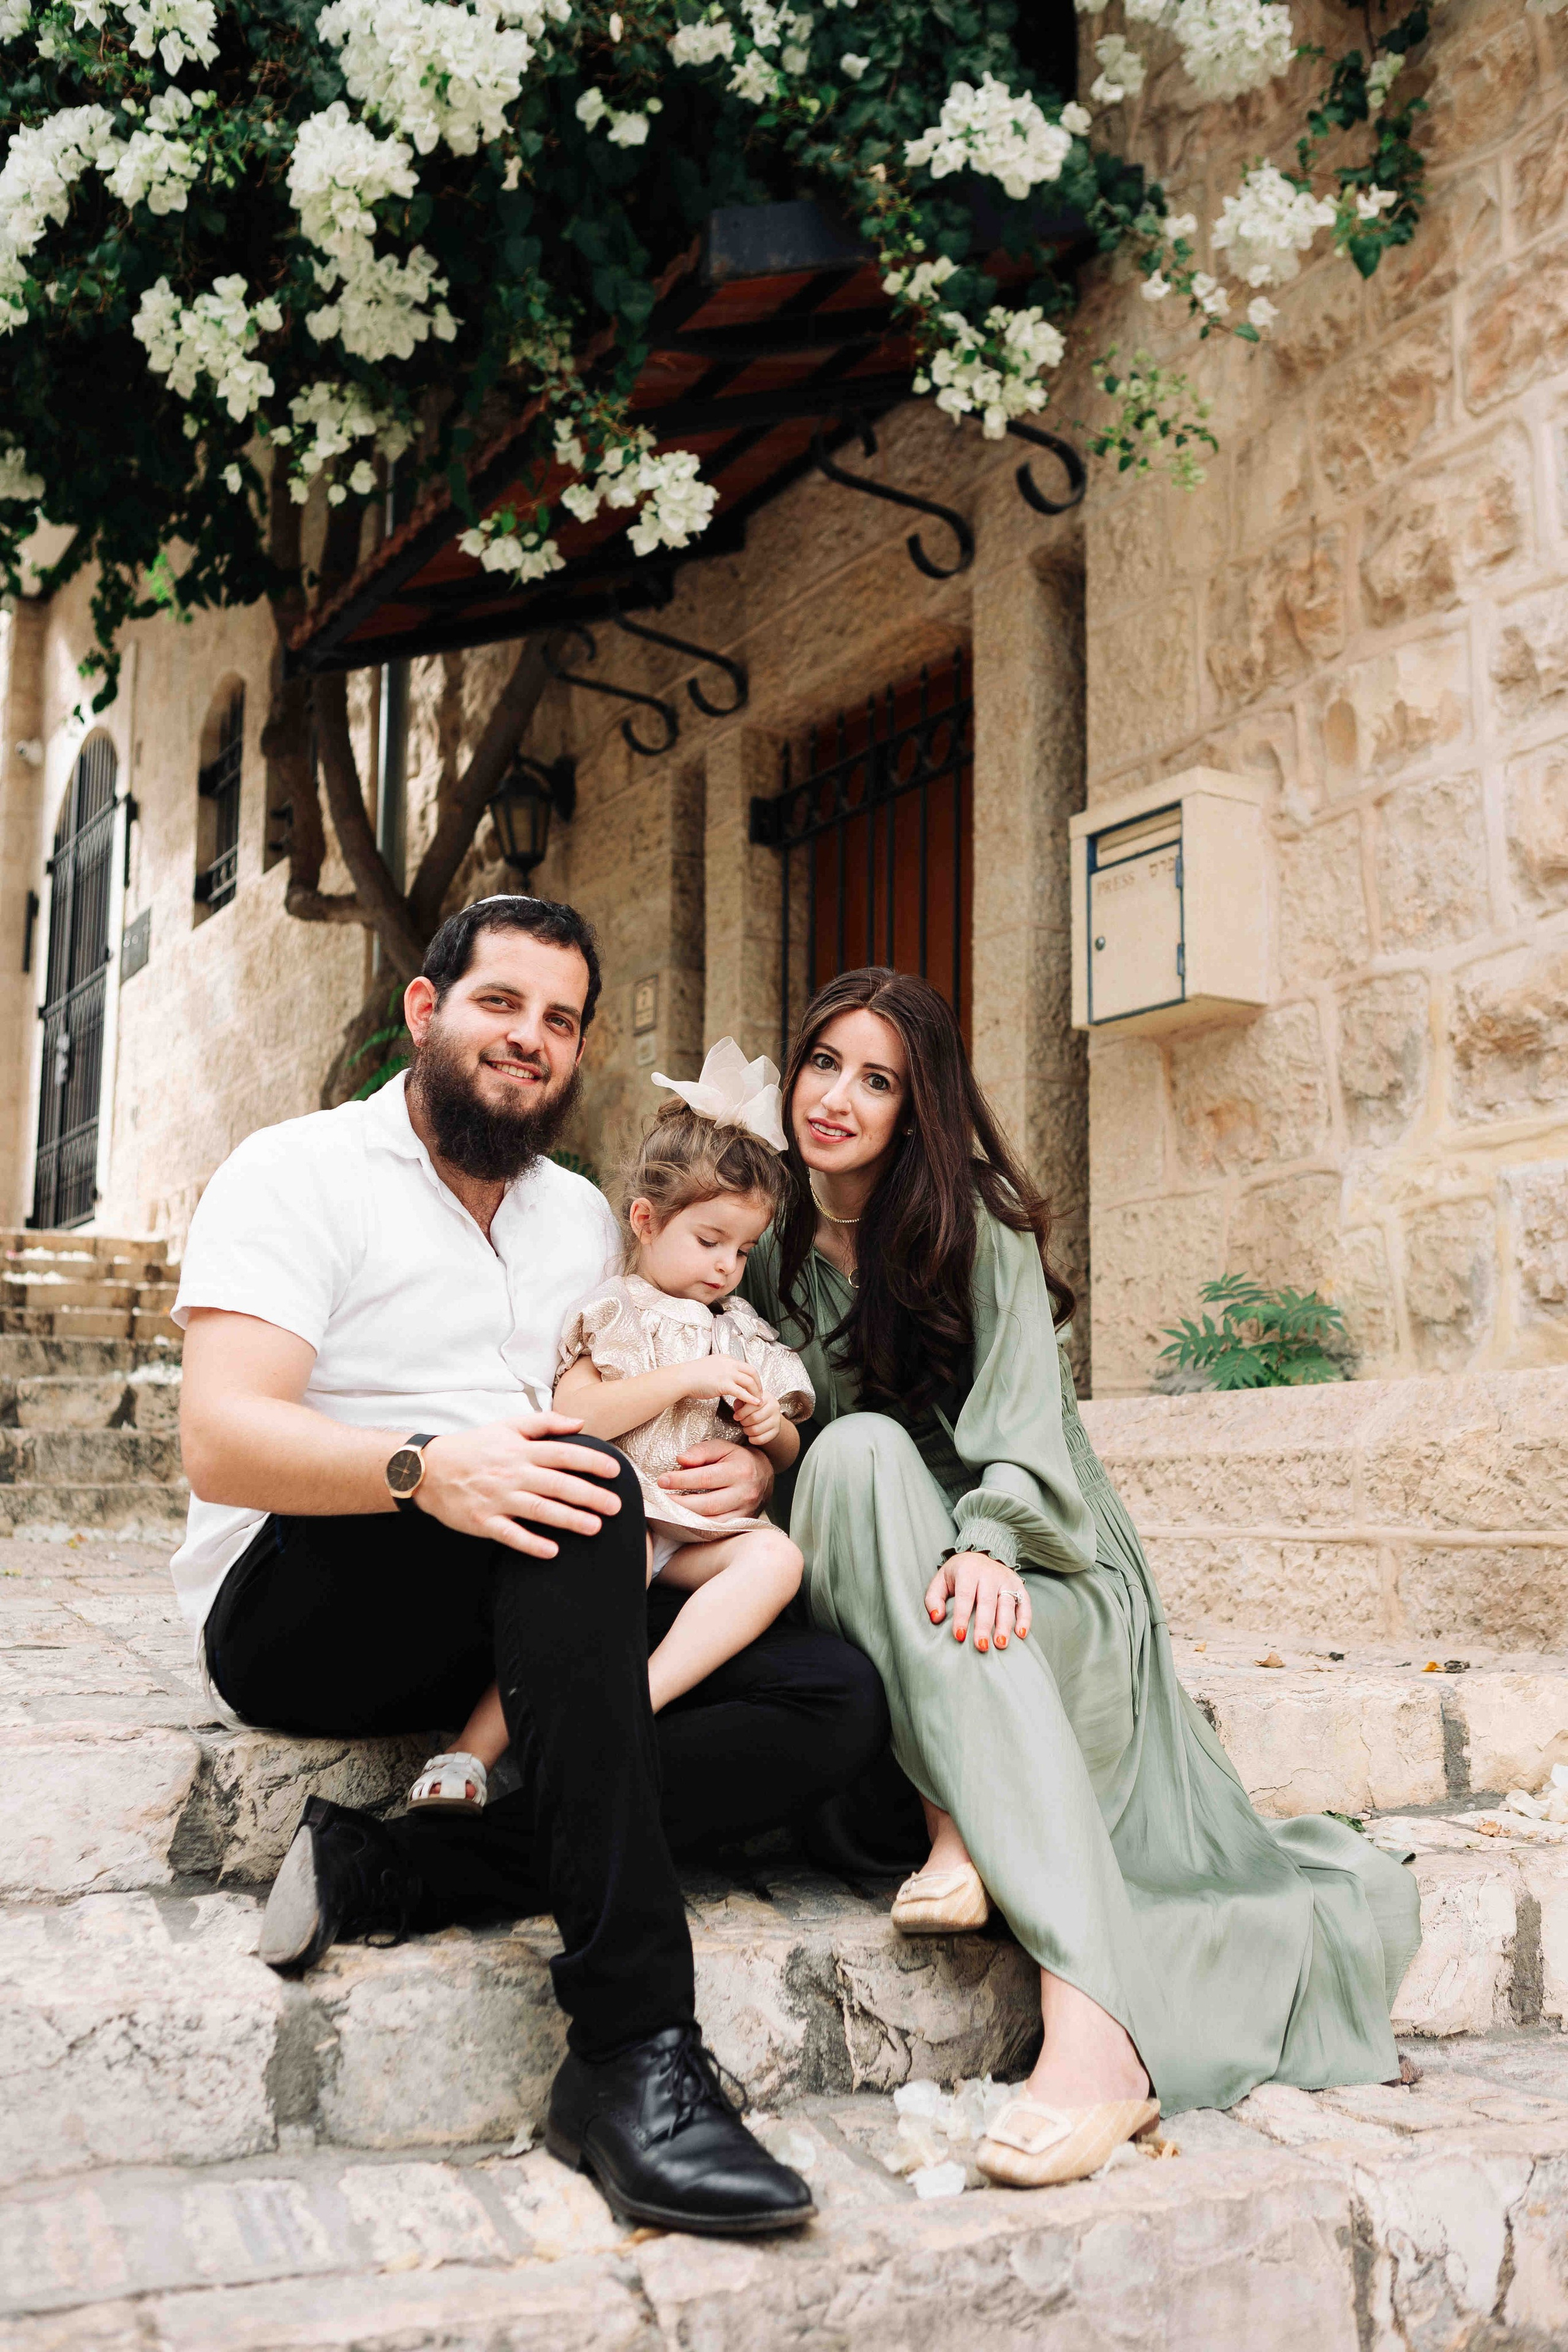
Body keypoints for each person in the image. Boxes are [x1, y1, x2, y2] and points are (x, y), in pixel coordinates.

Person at [170, 893, 888, 2237]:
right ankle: (628, 2053)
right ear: (426, 1013)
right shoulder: (297, 1171)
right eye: (501, 1004)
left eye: (560, 1021)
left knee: (829, 1700)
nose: (530, 1040)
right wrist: (424, 1467)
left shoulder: (579, 1220)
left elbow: (663, 1380)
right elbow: (222, 1440)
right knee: (580, 1487)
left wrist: (755, 1465)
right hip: (312, 1586)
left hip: (535, 1585)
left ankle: (398, 1870)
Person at [742, 965, 1423, 2191]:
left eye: (876, 1078)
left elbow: (1023, 1431)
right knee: (851, 1451)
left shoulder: (976, 1223)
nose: (835, 1096)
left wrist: (988, 1540)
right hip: (881, 1568)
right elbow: (795, 1459)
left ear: (919, 1106)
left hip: (1037, 1563)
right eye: (821, 1063)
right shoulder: (764, 1242)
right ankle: (956, 1829)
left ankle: (1092, 2032)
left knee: (959, 1592)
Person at [405, 1039, 813, 1811]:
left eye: (744, 1249)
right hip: (620, 1519)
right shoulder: (620, 1309)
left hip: (695, 1529)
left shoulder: (743, 1326)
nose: (727, 1266)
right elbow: (577, 1413)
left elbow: (789, 1442)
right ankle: (469, 1752)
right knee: (575, 1595)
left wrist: (768, 1430)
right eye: (709, 1241)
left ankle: (636, 1699)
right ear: (646, 1220)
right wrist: (686, 1378)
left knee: (778, 1562)